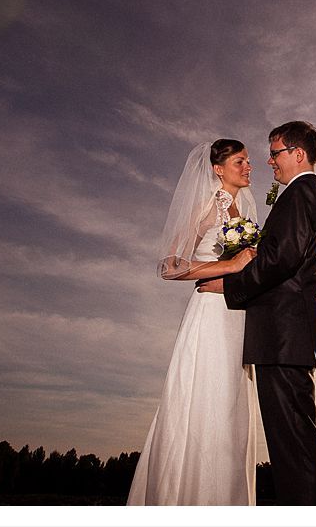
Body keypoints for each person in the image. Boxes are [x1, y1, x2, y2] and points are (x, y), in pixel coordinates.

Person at [197, 121, 316, 505]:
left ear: (298, 154)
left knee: (294, 448)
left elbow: (281, 258)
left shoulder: (299, 194)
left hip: (283, 339)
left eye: (275, 152)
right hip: (291, 336)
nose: (268, 162)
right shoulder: (310, 195)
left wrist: (229, 285)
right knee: (296, 443)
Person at [126, 139, 261, 505]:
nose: (249, 166)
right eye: (240, 161)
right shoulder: (205, 205)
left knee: (232, 409)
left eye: (248, 161)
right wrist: (230, 266)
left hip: (239, 319)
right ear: (218, 169)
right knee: (207, 402)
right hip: (211, 317)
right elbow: (169, 266)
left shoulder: (244, 210)